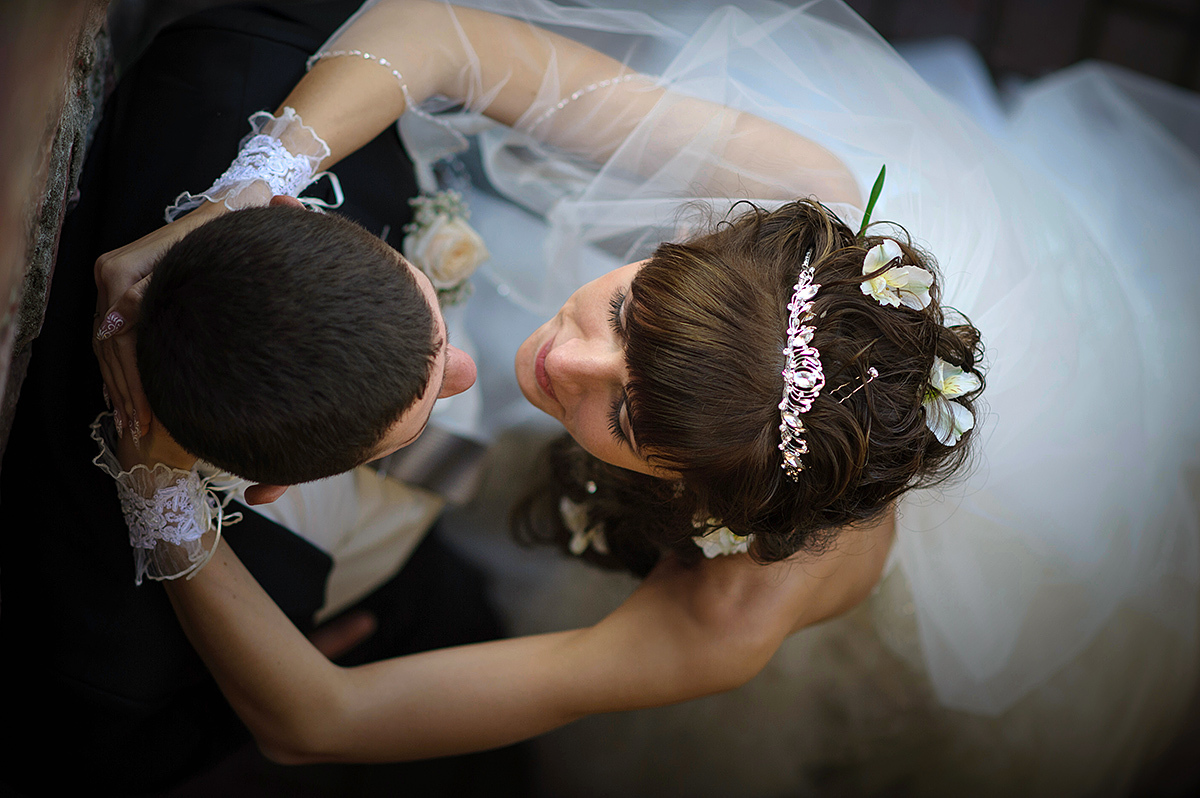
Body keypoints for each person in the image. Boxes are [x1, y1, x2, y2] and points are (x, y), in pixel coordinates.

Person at [94, 0, 1200, 794]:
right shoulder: (796, 205)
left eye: (626, 417)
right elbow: (432, 29)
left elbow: (315, 720)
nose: (561, 362)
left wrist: (158, 494)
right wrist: (239, 197)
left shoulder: (731, 615)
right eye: (627, 311)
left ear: (700, 493)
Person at [0, 2, 527, 795]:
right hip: (368, 590)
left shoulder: (251, 71)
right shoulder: (126, 660)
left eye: (435, 336)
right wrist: (245, 701)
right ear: (272, 486)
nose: (467, 372)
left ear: (284, 205)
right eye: (419, 411)